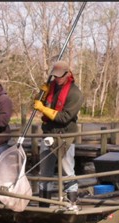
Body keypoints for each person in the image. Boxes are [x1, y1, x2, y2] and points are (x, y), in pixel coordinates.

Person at [33, 60, 84, 206]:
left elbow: (64, 117)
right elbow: (38, 103)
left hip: (65, 135)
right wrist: (41, 94)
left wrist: (43, 109)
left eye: (59, 76)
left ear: (67, 74)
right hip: (48, 133)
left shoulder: (75, 94)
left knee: (67, 169)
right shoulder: (51, 88)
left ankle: (71, 202)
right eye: (54, 76)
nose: (57, 79)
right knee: (45, 171)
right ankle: (44, 203)